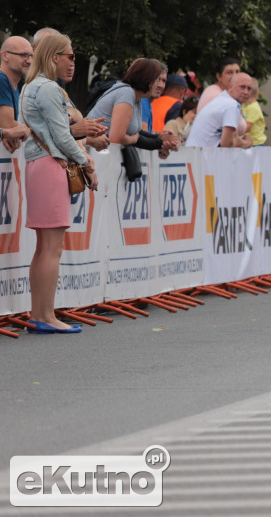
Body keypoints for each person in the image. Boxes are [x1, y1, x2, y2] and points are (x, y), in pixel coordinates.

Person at [19, 33, 98, 334]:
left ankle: (39, 314)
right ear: (54, 56)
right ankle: (46, 316)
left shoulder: (29, 87)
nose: (72, 60)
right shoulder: (49, 88)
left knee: (43, 248)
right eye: (69, 55)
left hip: (36, 165)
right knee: (52, 248)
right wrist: (87, 163)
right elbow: (63, 136)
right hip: (51, 166)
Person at [86, 58, 179, 158]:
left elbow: (136, 132)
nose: (159, 85)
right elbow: (117, 138)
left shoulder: (136, 97)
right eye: (157, 80)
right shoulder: (127, 93)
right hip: (94, 155)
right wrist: (136, 139)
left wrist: (160, 138)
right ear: (149, 80)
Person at [185, 73, 255, 148]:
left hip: (194, 152)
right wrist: (246, 143)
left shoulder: (221, 99)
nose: (246, 92)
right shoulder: (232, 105)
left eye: (249, 89)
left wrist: (238, 140)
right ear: (231, 86)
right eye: (242, 87)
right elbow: (228, 143)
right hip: (203, 155)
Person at [0, 36, 34, 151]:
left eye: (31, 56)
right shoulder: (1, 80)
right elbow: (10, 126)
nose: (29, 61)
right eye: (23, 55)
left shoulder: (22, 84)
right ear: (5, 56)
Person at [241, 78, 267, 146]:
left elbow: (247, 127)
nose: (247, 101)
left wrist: (233, 132)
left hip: (255, 143)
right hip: (247, 141)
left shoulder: (254, 108)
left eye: (249, 99)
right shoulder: (244, 105)